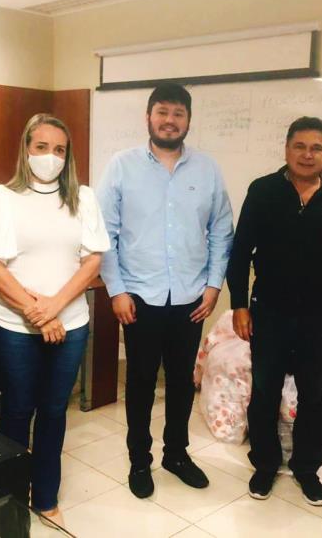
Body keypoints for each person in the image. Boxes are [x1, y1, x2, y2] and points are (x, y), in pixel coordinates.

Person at [0, 114, 109, 526]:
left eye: (60, 150)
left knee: (53, 411)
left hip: (71, 323)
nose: (51, 156)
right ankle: (12, 498)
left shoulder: (83, 197)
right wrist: (37, 312)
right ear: (26, 149)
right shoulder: (0, 197)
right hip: (15, 327)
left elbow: (93, 261)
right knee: (17, 411)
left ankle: (46, 496)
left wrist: (54, 306)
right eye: (42, 147)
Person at [97, 83, 234, 499]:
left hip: (191, 298)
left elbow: (222, 230)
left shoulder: (207, 169)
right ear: (148, 117)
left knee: (180, 381)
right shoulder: (121, 166)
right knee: (140, 383)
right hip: (139, 297)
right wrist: (116, 291)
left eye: (178, 113)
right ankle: (140, 460)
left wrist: (213, 285)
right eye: (162, 112)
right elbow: (104, 234)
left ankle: (176, 454)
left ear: (188, 120)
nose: (169, 121)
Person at [227, 116, 322, 505]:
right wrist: (239, 305)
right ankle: (265, 464)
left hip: (319, 315)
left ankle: (306, 468)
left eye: (316, 148)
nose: (307, 154)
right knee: (265, 390)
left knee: (314, 394)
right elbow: (240, 253)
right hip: (269, 310)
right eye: (299, 146)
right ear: (286, 149)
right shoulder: (263, 190)